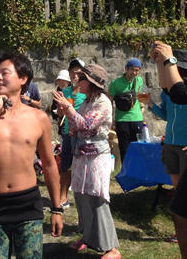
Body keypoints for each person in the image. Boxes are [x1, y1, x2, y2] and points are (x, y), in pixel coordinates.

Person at [0, 51, 63, 258]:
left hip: (28, 203)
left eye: (4, 73)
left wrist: (56, 209)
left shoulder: (38, 117)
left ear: (23, 78)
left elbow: (49, 164)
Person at [52, 64, 121, 259]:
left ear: (91, 83)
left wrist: (68, 108)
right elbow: (77, 123)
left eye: (81, 78)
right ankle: (88, 237)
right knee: (82, 196)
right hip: (81, 154)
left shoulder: (103, 102)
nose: (77, 81)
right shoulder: (87, 101)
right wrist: (67, 114)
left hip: (97, 156)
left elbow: (88, 124)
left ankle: (111, 248)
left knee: (97, 197)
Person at [141, 62, 187, 243]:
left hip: (184, 146)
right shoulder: (167, 93)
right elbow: (167, 116)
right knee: (178, 192)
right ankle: (181, 230)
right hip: (169, 144)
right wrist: (151, 104)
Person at [150, 41, 187, 259]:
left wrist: (169, 59)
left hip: (183, 145)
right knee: (178, 209)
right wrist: (160, 62)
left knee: (181, 210)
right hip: (171, 143)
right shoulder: (173, 91)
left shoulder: (182, 88)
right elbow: (168, 90)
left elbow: (179, 92)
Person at [57, 59, 86, 209]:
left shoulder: (87, 91)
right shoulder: (65, 92)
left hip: (83, 134)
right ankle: (63, 197)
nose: (75, 75)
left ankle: (83, 199)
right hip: (68, 133)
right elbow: (60, 113)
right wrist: (60, 106)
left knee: (82, 167)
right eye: (72, 72)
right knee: (65, 165)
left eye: (78, 72)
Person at [108, 58, 144, 162]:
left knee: (139, 149)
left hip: (137, 119)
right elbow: (109, 101)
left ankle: (137, 173)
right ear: (126, 69)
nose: (134, 73)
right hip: (122, 120)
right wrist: (110, 119)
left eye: (137, 70)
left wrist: (142, 109)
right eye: (132, 69)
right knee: (124, 149)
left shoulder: (139, 81)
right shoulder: (115, 83)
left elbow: (141, 97)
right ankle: (126, 173)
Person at [50, 69, 71, 134]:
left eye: (64, 80)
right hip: (62, 127)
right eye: (59, 80)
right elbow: (53, 108)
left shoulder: (72, 93)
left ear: (68, 82)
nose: (62, 82)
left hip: (71, 128)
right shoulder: (58, 93)